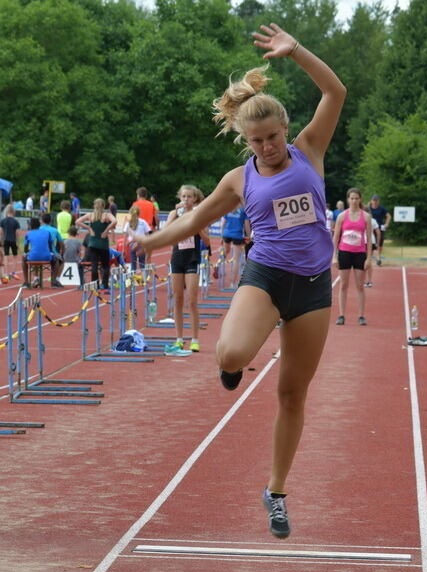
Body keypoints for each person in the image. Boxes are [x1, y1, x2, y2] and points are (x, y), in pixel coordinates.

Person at [132, 23, 346, 538]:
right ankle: (230, 368)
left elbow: (335, 91)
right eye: (257, 141)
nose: (269, 146)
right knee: (230, 355)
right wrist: (151, 242)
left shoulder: (309, 150)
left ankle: (275, 491)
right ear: (244, 140)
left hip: (315, 285)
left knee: (292, 394)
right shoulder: (239, 179)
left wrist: (296, 52)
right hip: (267, 274)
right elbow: (192, 222)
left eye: (273, 137)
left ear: (285, 128)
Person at [163, 185, 210, 353]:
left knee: (192, 300)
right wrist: (175, 215)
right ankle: (179, 339)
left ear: (194, 199)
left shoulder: (199, 215)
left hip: (192, 259)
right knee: (177, 299)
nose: (186, 199)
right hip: (177, 258)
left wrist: (195, 225)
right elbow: (165, 231)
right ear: (179, 197)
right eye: (183, 196)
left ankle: (195, 339)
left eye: (189, 197)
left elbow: (207, 240)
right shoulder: (174, 213)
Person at [332, 188, 372, 326]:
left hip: (360, 253)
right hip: (344, 252)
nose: (354, 201)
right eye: (352, 198)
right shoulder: (342, 216)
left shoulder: (366, 217)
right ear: (348, 199)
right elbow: (335, 237)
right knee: (343, 285)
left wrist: (369, 258)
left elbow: (369, 240)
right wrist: (334, 257)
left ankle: (361, 316)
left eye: (356, 198)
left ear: (360, 199)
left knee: (360, 286)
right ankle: (341, 315)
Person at [76, 198, 116, 291]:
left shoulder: (91, 215)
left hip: (93, 243)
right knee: (105, 265)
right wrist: (107, 230)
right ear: (103, 206)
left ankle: (95, 284)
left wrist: (89, 228)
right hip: (103, 243)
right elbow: (114, 221)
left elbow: (77, 221)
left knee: (94, 265)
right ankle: (105, 284)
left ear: (94, 205)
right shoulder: (107, 215)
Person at [221, 205, 249, 287]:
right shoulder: (244, 209)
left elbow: (223, 223)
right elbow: (246, 224)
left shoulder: (228, 207)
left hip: (227, 233)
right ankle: (232, 283)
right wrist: (248, 236)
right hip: (237, 235)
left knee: (225, 252)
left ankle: (220, 269)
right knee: (236, 259)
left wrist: (222, 235)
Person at [21, 217, 54, 288]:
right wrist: (51, 252)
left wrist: (27, 252)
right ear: (39, 225)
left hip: (33, 257)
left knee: (24, 258)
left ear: (30, 225)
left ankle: (26, 282)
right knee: (57, 260)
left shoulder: (28, 234)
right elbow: (50, 245)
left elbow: (25, 249)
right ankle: (54, 281)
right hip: (47, 257)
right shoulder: (47, 232)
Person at [123, 205, 151, 273]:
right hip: (141, 244)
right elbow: (147, 235)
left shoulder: (128, 223)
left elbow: (125, 237)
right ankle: (144, 279)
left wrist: (123, 249)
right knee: (142, 263)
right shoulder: (143, 222)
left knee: (133, 263)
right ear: (139, 213)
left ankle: (133, 279)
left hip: (131, 245)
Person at [40, 213, 64, 287]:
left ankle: (36, 278)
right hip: (51, 253)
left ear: (41, 221)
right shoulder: (55, 230)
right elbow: (61, 243)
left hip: (39, 254)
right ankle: (56, 279)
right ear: (50, 221)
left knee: (36, 263)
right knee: (61, 261)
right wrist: (61, 252)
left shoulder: (38, 229)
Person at [369, 195, 391, 266]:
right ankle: (372, 258)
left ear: (378, 201)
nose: (375, 202)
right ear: (371, 201)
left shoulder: (381, 208)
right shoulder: (368, 208)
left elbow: (388, 216)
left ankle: (378, 257)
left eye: (376, 200)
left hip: (380, 227)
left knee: (380, 243)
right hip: (371, 228)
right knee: (371, 243)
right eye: (373, 200)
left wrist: (386, 224)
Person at [0, 204, 21, 280]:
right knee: (15, 256)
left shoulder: (3, 221)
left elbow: (1, 232)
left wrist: (1, 241)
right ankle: (13, 272)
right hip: (13, 240)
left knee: (5, 256)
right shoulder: (15, 221)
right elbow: (17, 233)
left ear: (7, 211)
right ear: (13, 212)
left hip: (5, 240)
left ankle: (6, 272)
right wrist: (18, 243)